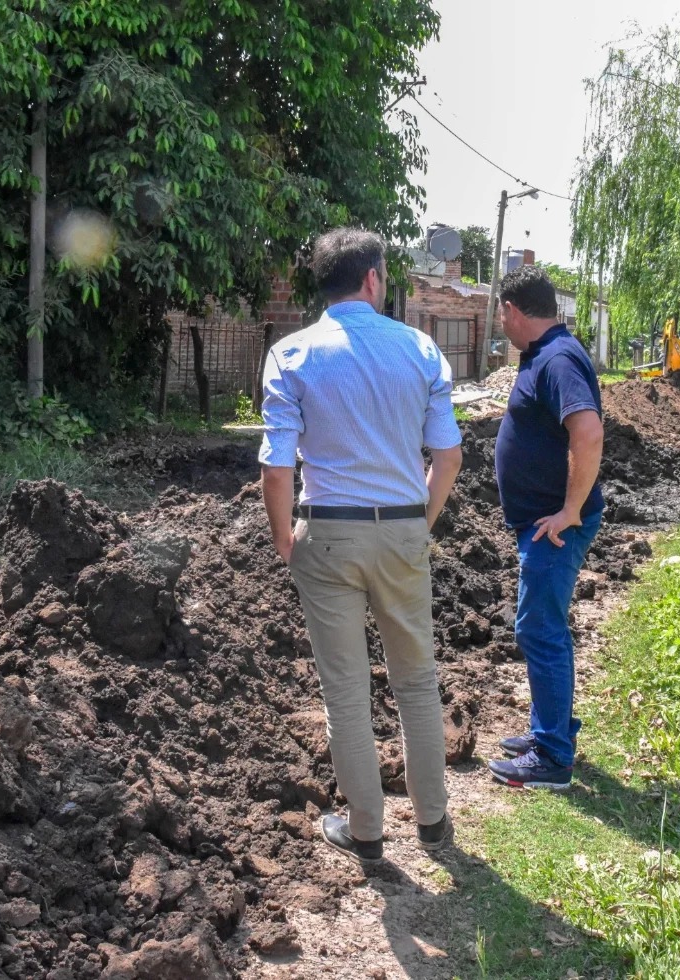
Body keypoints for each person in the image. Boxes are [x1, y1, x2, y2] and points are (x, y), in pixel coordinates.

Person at [258, 227, 463, 866]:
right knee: (416, 679)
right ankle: (434, 825)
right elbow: (449, 455)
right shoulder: (422, 350)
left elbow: (276, 467)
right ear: (374, 278)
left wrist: (286, 539)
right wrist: (419, 522)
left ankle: (367, 832)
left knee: (345, 690)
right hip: (402, 527)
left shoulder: (291, 355)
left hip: (327, 532)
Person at [488, 265, 604, 791]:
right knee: (542, 626)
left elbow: (588, 433)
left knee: (540, 629)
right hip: (543, 522)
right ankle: (547, 733)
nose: (499, 323)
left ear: (514, 310)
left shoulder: (556, 359)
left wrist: (570, 509)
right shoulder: (548, 354)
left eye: (499, 313)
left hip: (553, 527)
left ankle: (553, 757)